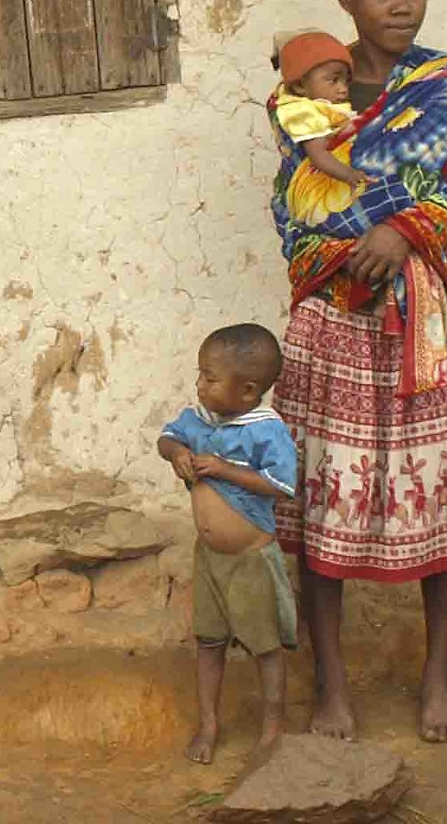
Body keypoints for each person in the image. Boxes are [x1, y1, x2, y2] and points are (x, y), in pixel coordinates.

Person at [271, 0, 447, 742]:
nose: (402, 4)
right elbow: (298, 196)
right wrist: (348, 257)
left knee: (441, 491)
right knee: (323, 498)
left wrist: (405, 232)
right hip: (334, 317)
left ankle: (438, 677)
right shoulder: (307, 94)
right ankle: (330, 683)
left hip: (421, 320)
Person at [157, 324, 300, 764]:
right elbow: (167, 437)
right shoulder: (199, 420)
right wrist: (176, 454)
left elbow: (281, 485)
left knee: (265, 645)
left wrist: (223, 468)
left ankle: (273, 727)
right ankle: (209, 724)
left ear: (248, 390)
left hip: (250, 561)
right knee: (209, 641)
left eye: (210, 378)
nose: (200, 384)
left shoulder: (266, 431)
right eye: (201, 374)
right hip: (210, 561)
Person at [271, 29, 366, 196]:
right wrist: (349, 175)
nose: (343, 89)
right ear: (300, 85)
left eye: (346, 81)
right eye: (334, 80)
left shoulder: (321, 105)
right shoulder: (303, 113)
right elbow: (318, 154)